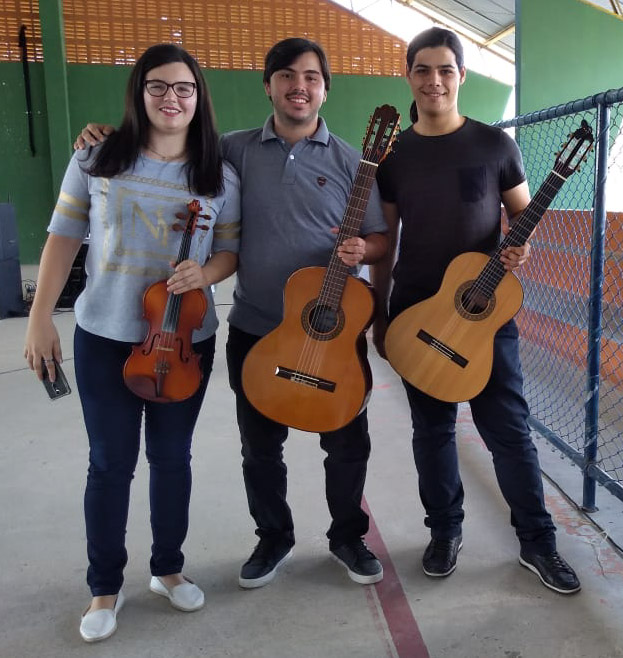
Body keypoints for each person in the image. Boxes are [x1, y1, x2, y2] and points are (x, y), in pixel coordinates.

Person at [77, 37, 388, 589]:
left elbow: (380, 238)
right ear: (267, 84)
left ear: (326, 89)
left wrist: (363, 251)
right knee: (260, 449)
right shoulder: (230, 150)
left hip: (330, 330)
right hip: (257, 327)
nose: (299, 86)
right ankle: (273, 537)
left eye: (312, 77)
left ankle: (347, 535)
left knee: (346, 443)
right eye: (287, 75)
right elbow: (168, 143)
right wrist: (104, 133)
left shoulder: (351, 160)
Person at [25, 43, 241, 642]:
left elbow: (227, 249)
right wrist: (40, 316)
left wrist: (207, 274)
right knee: (109, 463)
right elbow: (64, 237)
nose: (172, 97)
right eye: (159, 86)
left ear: (199, 99)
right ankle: (104, 587)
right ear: (139, 93)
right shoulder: (97, 157)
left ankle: (167, 569)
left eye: (184, 88)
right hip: (105, 336)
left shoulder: (218, 174)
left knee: (173, 460)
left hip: (185, 341)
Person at [372, 27, 581, 595]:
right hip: (417, 310)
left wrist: (523, 247)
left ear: (462, 75)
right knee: (432, 432)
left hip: (484, 313)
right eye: (423, 70)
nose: (434, 80)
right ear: (409, 75)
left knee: (509, 431)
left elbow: (522, 217)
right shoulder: (395, 157)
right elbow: (385, 240)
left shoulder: (495, 145)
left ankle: (538, 544)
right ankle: (444, 532)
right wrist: (380, 311)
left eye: (445, 70)